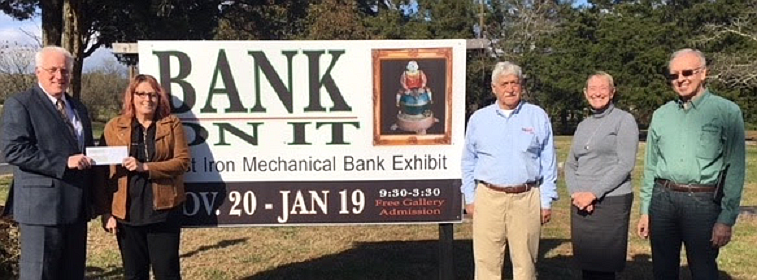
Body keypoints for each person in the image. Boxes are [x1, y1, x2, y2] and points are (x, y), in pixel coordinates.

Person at [637, 48, 746, 280]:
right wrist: (645, 210)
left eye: (687, 72)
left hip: (703, 203)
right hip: (663, 200)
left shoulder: (726, 112)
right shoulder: (662, 114)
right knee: (663, 270)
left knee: (704, 270)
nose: (681, 79)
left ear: (703, 73)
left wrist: (726, 219)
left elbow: (735, 169)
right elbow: (650, 165)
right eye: (673, 75)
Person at [1, 46, 96, 279]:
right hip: (41, 209)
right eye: (52, 70)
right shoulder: (21, 104)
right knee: (39, 274)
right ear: (38, 72)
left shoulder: (78, 108)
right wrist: (64, 162)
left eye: (64, 71)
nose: (59, 76)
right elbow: (14, 150)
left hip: (76, 208)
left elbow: (88, 150)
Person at [461, 61, 558, 280]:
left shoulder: (537, 116)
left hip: (526, 197)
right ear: (494, 88)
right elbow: (468, 161)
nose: (510, 88)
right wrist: (469, 197)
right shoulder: (479, 119)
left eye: (515, 83)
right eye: (504, 84)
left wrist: (546, 201)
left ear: (521, 86)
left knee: (526, 263)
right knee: (487, 263)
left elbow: (548, 161)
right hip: (488, 196)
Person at [95, 74, 190, 280]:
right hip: (127, 214)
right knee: (134, 274)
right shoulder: (114, 127)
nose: (147, 99)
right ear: (132, 97)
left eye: (153, 94)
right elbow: (101, 174)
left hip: (164, 211)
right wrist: (105, 212)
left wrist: (145, 167)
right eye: (141, 94)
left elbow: (182, 161)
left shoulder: (171, 124)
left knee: (167, 273)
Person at [565, 72, 638, 280]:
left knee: (604, 268)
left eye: (603, 88)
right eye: (592, 89)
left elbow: (625, 164)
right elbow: (571, 163)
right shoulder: (583, 125)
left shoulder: (624, 120)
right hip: (580, 202)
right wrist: (577, 194)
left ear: (612, 92)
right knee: (586, 264)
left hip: (610, 201)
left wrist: (593, 194)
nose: (598, 93)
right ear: (585, 93)